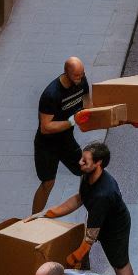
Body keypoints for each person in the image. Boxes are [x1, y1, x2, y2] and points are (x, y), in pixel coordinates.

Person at [31, 142, 137, 275]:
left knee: (120, 263)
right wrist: (49, 213)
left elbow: (89, 239)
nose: (80, 162)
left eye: (85, 160)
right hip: (99, 219)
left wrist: (73, 258)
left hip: (115, 229)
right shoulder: (87, 175)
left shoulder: (103, 195)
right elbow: (80, 198)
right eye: (82, 158)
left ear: (98, 163)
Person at [31, 57, 91, 216]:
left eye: (82, 74)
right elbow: (45, 127)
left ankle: (88, 203)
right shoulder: (51, 94)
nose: (81, 78)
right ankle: (33, 219)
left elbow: (87, 106)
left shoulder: (82, 82)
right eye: (77, 75)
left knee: (87, 171)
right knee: (48, 183)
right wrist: (73, 121)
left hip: (66, 141)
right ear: (67, 73)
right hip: (47, 145)